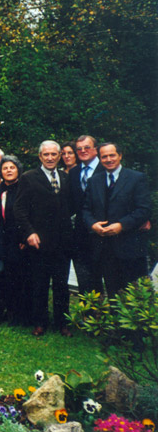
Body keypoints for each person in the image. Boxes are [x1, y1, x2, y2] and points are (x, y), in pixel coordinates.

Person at [14, 141, 73, 337]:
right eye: (46, 154)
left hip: (62, 242)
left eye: (53, 154)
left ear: (59, 156)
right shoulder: (29, 178)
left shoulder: (65, 177)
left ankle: (62, 323)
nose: (50, 158)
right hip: (38, 242)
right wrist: (29, 232)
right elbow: (19, 209)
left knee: (61, 285)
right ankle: (39, 322)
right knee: (39, 284)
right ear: (40, 156)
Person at [82, 143, 152, 296]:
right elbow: (86, 210)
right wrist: (93, 225)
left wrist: (122, 225)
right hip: (106, 249)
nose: (108, 159)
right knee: (114, 295)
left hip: (130, 248)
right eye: (104, 156)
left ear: (120, 155)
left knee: (135, 296)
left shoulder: (136, 178)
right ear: (100, 159)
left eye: (112, 155)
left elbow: (144, 209)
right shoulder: (94, 181)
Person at [0, 155, 29, 325]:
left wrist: (24, 237)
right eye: (5, 168)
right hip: (3, 240)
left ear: (18, 170)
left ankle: (21, 314)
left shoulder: (24, 188)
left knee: (20, 278)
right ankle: (7, 312)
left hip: (20, 240)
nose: (8, 171)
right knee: (4, 277)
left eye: (12, 167)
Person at [68, 135, 104, 293]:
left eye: (87, 147)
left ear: (95, 149)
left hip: (104, 233)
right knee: (86, 281)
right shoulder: (74, 172)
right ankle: (89, 316)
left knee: (109, 279)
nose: (83, 151)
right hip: (82, 235)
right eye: (79, 149)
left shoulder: (107, 167)